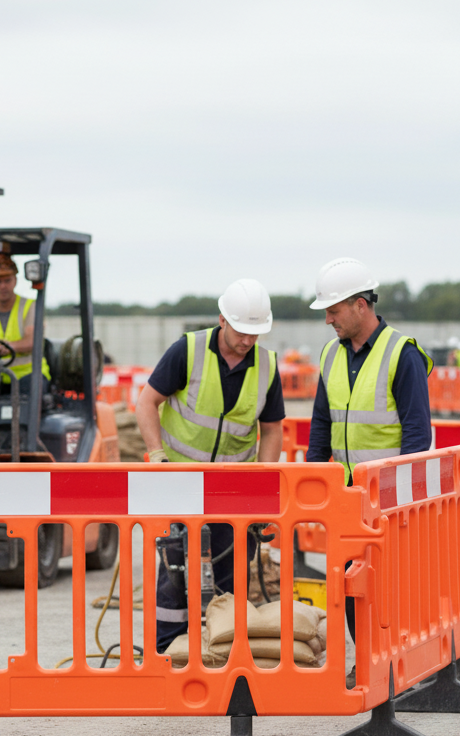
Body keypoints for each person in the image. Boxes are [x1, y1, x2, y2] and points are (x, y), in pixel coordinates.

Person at [136, 278, 285, 651]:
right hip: (179, 484)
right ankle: (168, 651)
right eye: (241, 331)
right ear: (222, 319)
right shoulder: (188, 351)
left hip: (232, 490)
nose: (248, 340)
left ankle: (221, 651)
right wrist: (157, 455)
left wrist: (263, 485)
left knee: (229, 576)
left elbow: (271, 431)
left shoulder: (266, 366)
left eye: (256, 332)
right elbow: (146, 402)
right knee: (174, 575)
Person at [305, 257, 433, 640]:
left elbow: (416, 434)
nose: (328, 320)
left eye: (333, 310)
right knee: (349, 583)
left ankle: (391, 661)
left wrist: (397, 496)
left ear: (360, 305)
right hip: (345, 497)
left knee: (388, 586)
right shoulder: (331, 355)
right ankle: (364, 663)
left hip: (387, 502)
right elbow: (321, 424)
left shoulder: (402, 354)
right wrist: (313, 479)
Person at [0, 253, 50, 393]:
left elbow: (32, 340)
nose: (3, 286)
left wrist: (9, 347)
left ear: (15, 280)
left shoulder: (29, 307)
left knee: (27, 390)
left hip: (29, 375)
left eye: (7, 280)